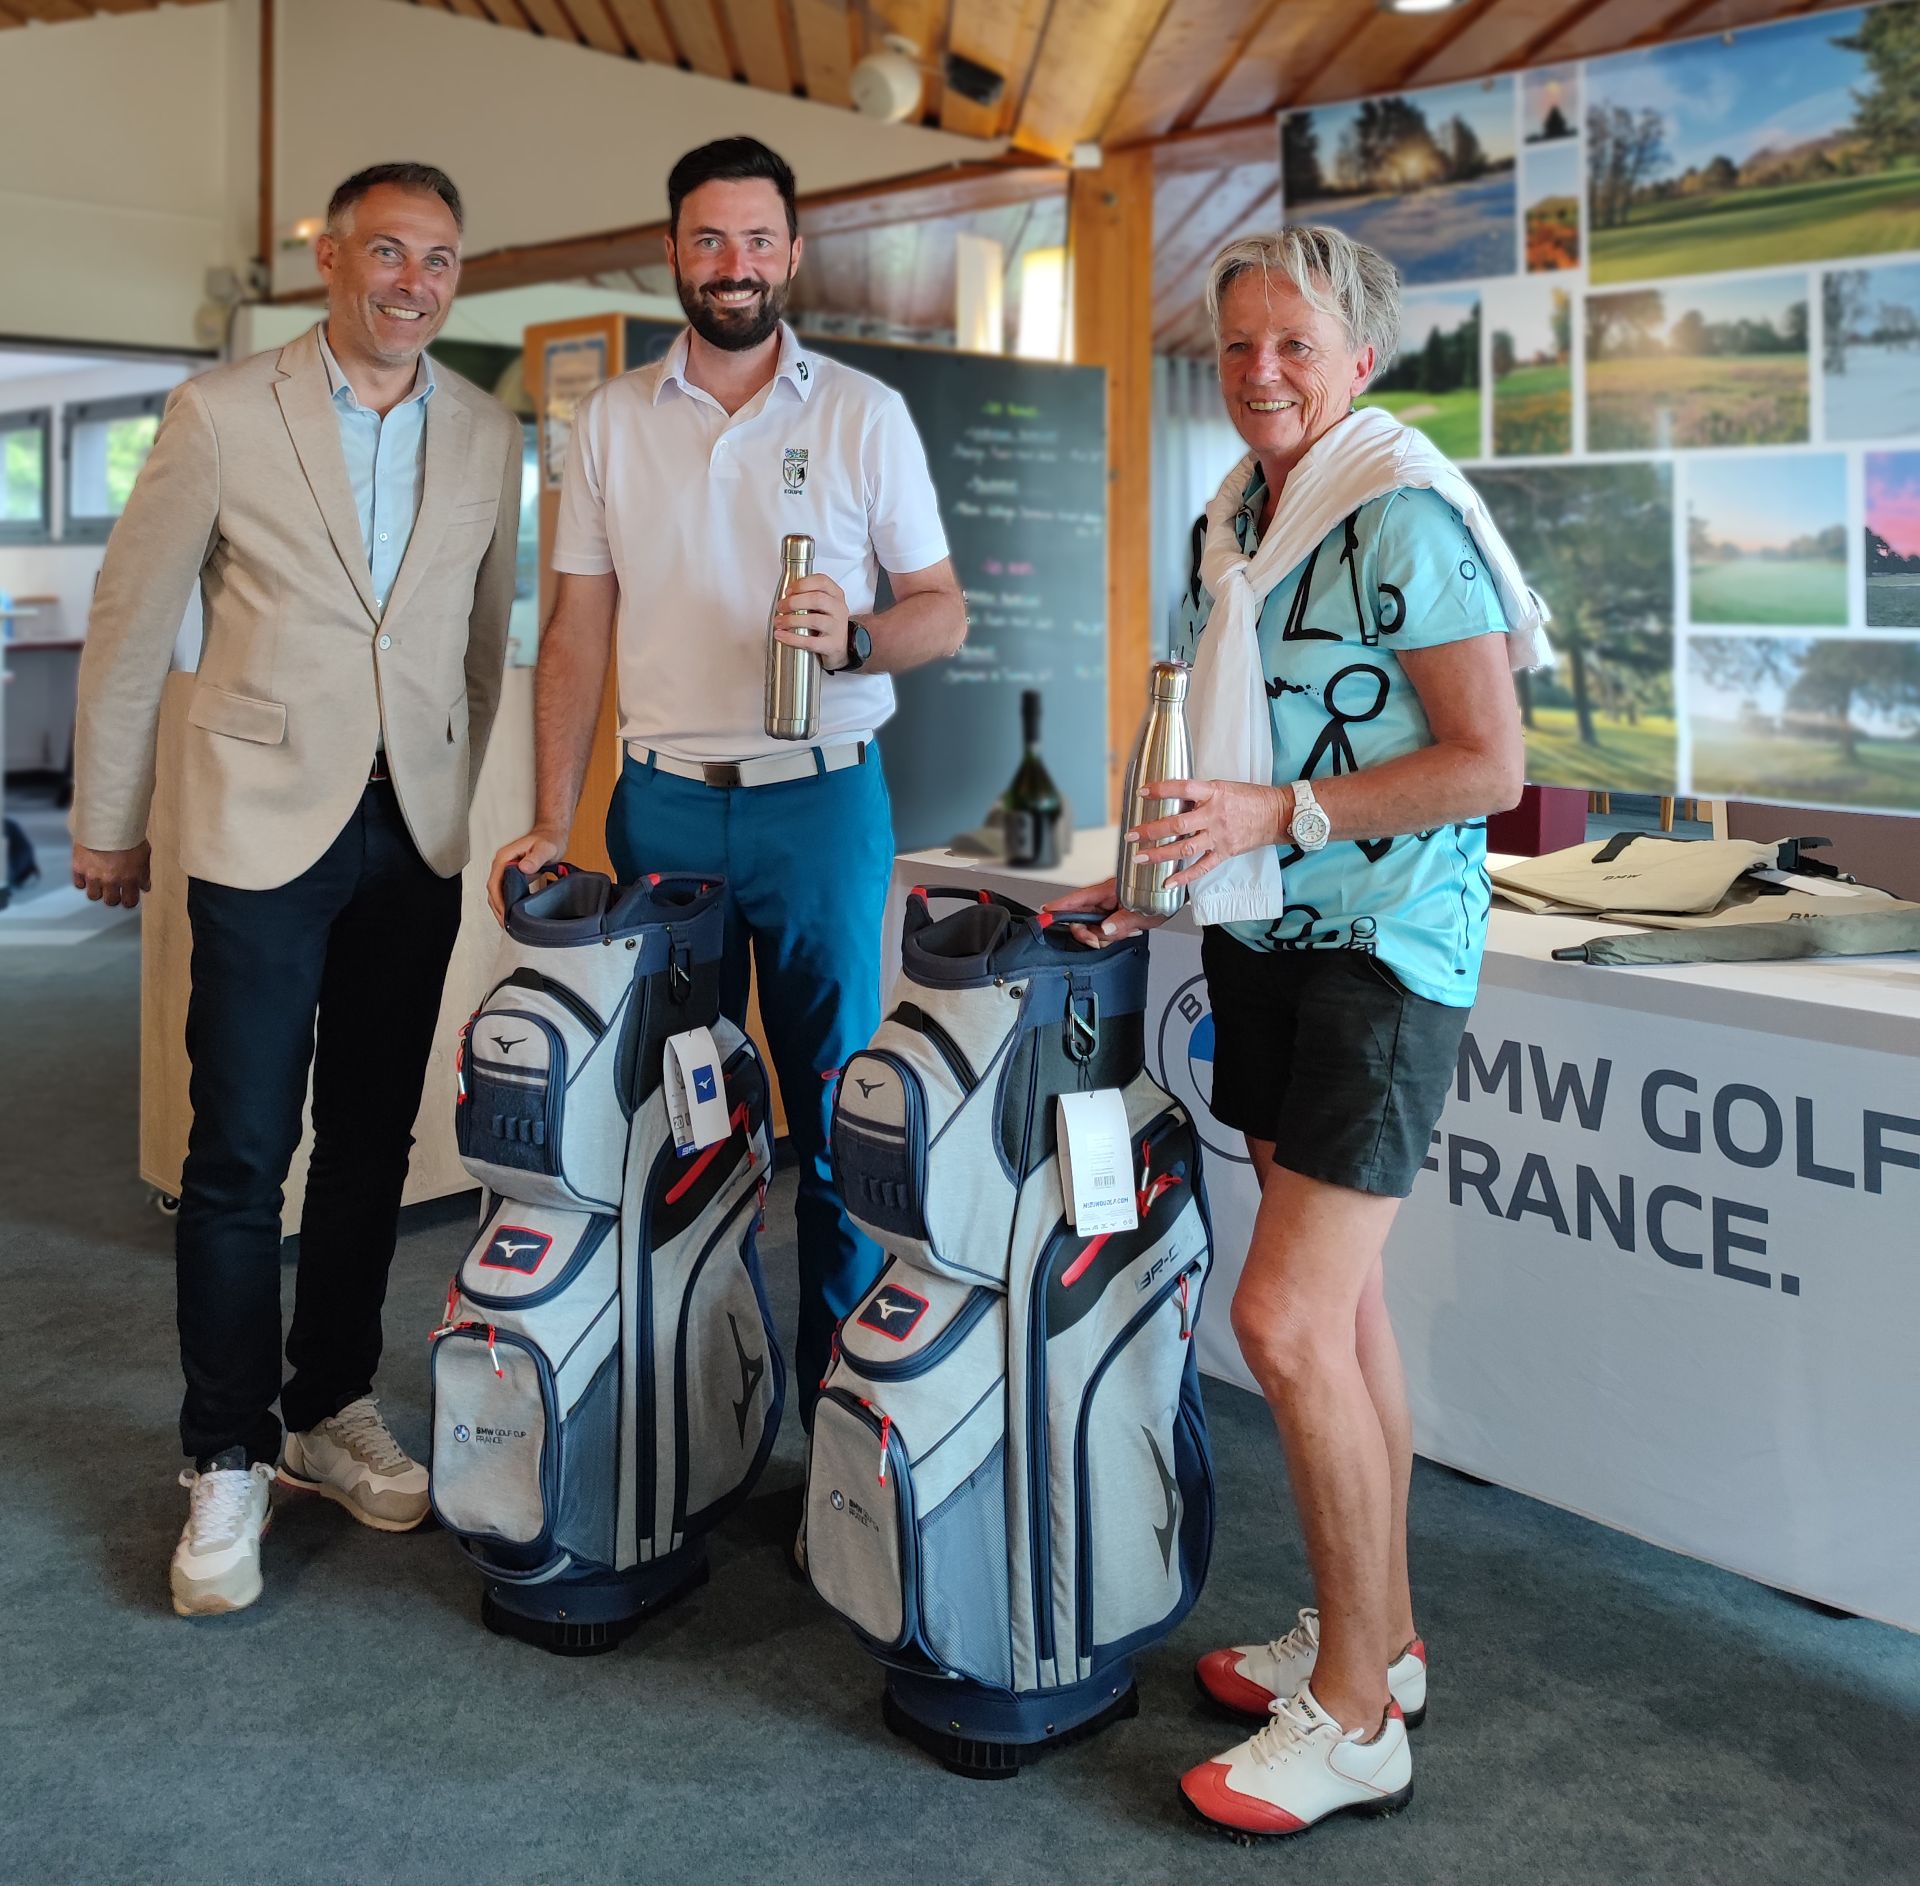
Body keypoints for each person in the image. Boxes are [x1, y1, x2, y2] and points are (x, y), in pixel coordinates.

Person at [1048, 226, 1524, 1838]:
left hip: (1385, 952)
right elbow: (1215, 737)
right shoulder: (1237, 515)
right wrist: (1147, 877)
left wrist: (1284, 811)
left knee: (1288, 1320)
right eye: (1240, 343)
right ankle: (1376, 1640)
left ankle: (1357, 1722)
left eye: (1295, 345)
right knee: (1348, 1311)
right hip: (1262, 937)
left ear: (1358, 360)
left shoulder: (1403, 511)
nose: (1260, 371)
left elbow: (1489, 764)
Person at [70, 162, 524, 1617]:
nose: (414, 283)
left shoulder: (487, 429)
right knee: (240, 1153)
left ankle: (330, 1405)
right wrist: (109, 818)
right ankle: (226, 1452)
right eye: (388, 251)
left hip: (415, 831)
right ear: (330, 257)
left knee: (377, 1140)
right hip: (261, 824)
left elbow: (480, 642)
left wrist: (453, 788)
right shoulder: (221, 412)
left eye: (439, 260)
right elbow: (132, 621)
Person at [488, 137, 964, 1438]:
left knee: (840, 1115)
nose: (734, 263)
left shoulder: (862, 412)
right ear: (674, 254)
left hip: (821, 802)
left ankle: (842, 1430)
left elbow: (941, 609)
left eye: (758, 239)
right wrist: (550, 813)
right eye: (709, 239)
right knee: (674, 1115)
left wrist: (857, 637)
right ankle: (697, 1416)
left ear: (793, 253)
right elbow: (576, 629)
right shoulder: (609, 420)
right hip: (666, 805)